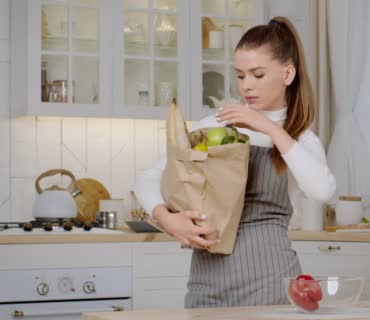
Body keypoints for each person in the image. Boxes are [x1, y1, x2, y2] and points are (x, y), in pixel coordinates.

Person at [135, 16, 336, 308]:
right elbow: (149, 178)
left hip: (270, 283)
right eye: (240, 76)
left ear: (287, 74)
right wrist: (167, 219)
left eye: (257, 74)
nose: (246, 86)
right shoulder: (215, 125)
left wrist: (269, 128)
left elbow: (323, 192)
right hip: (206, 285)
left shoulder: (299, 139)